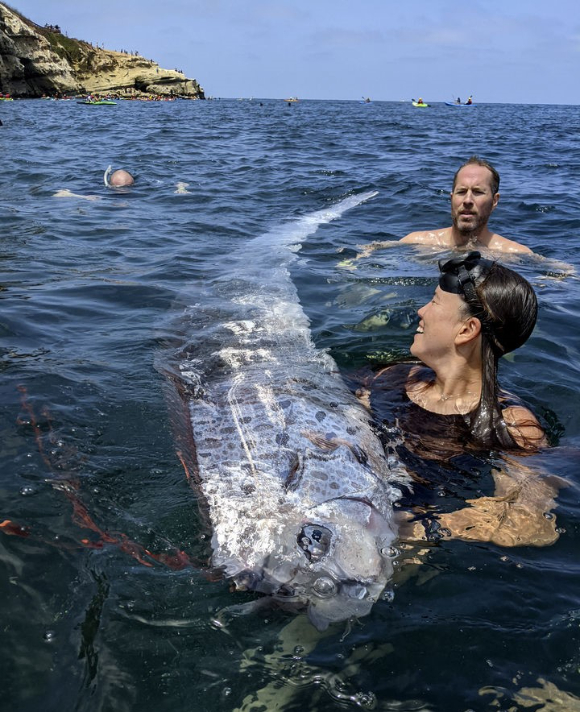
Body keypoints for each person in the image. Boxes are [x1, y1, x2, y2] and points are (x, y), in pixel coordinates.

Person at [357, 252, 560, 547]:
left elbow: (530, 523)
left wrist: (420, 527)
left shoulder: (510, 424)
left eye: (435, 302)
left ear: (467, 330)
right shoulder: (394, 376)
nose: (421, 312)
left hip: (405, 539)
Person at [357, 156, 533, 258]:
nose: (467, 200)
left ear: (495, 201)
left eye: (478, 192)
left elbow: (556, 274)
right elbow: (372, 249)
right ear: (451, 198)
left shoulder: (513, 254)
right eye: (461, 192)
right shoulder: (419, 242)